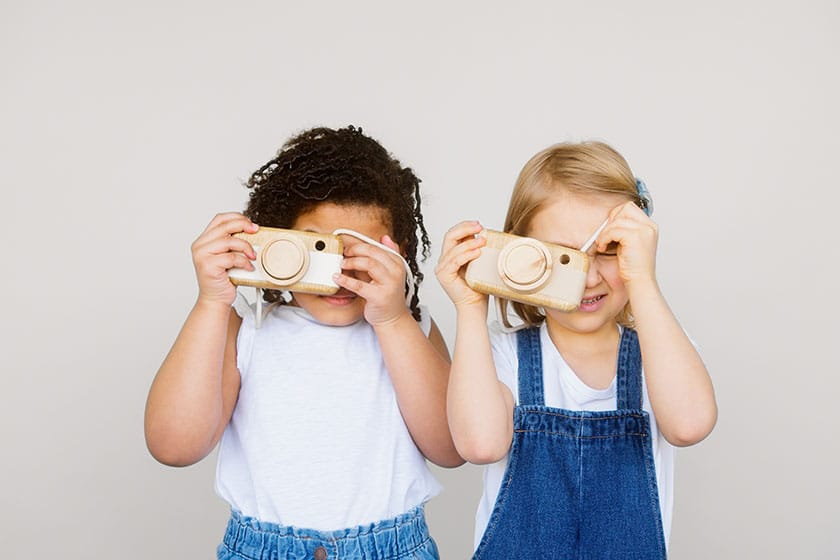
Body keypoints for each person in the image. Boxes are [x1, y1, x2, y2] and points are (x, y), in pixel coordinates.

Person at [145, 125, 461, 560]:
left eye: (363, 254)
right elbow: (173, 446)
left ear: (399, 254)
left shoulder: (412, 329)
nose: (339, 275)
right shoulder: (247, 332)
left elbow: (451, 447)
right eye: (319, 249)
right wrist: (211, 302)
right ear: (276, 242)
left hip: (392, 548)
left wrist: (391, 318)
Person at [436, 141, 717, 559]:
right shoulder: (499, 355)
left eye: (610, 251)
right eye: (563, 257)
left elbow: (690, 425)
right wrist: (470, 309)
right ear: (519, 255)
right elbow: (480, 446)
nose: (588, 278)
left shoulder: (661, 354)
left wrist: (642, 279)